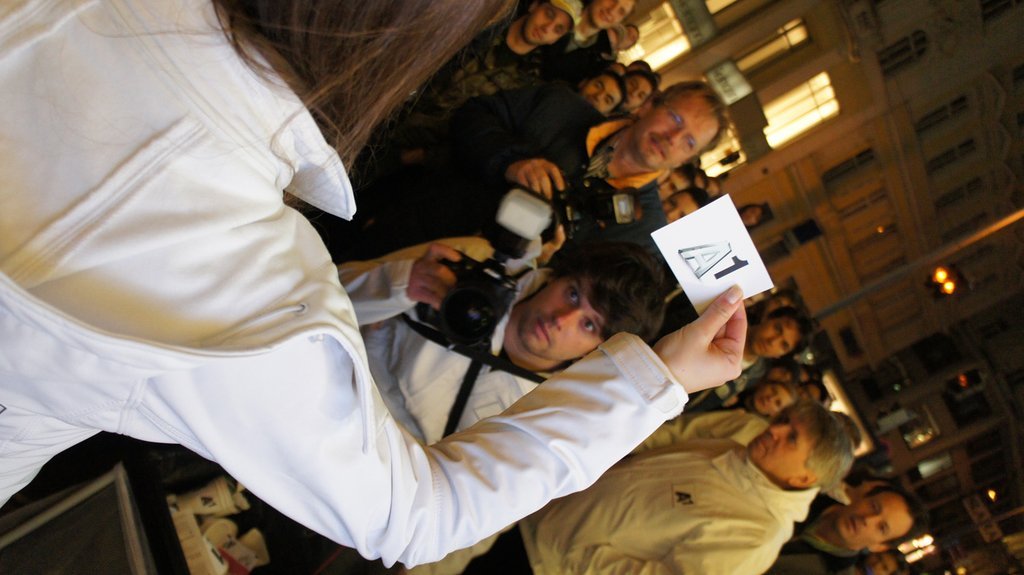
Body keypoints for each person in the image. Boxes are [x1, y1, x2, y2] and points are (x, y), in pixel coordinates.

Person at [0, 0, 752, 568]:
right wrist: (655, 379)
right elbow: (419, 512)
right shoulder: (257, 293)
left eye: (591, 324)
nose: (564, 317)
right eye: (671, 117)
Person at [338, 80, 729, 260]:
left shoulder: (643, 232)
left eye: (689, 142)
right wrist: (511, 161)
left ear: (686, 160)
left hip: (456, 306)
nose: (672, 138)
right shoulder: (559, 106)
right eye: (675, 118)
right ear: (650, 105)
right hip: (395, 226)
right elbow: (472, 116)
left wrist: (547, 263)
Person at [340, 238, 666, 443]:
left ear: (596, 350)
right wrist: (397, 284)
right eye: (572, 294)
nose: (561, 319)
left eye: (589, 325)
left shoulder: (554, 416)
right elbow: (329, 289)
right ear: (556, 277)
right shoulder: (478, 263)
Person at [501, 400, 855, 574]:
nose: (774, 429)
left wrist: (573, 552)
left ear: (805, 478)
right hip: (538, 514)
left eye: (791, 438)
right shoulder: (735, 453)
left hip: (546, 564)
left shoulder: (759, 534)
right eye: (783, 420)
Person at [768, 479, 929, 574]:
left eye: (881, 527)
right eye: (874, 507)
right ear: (863, 496)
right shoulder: (805, 489)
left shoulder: (833, 571)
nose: (868, 519)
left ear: (879, 546)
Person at [540, 0, 636, 85]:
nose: (612, 10)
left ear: (620, 21)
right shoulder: (558, 8)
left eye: (621, 11)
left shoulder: (600, 61)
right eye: (612, 0)